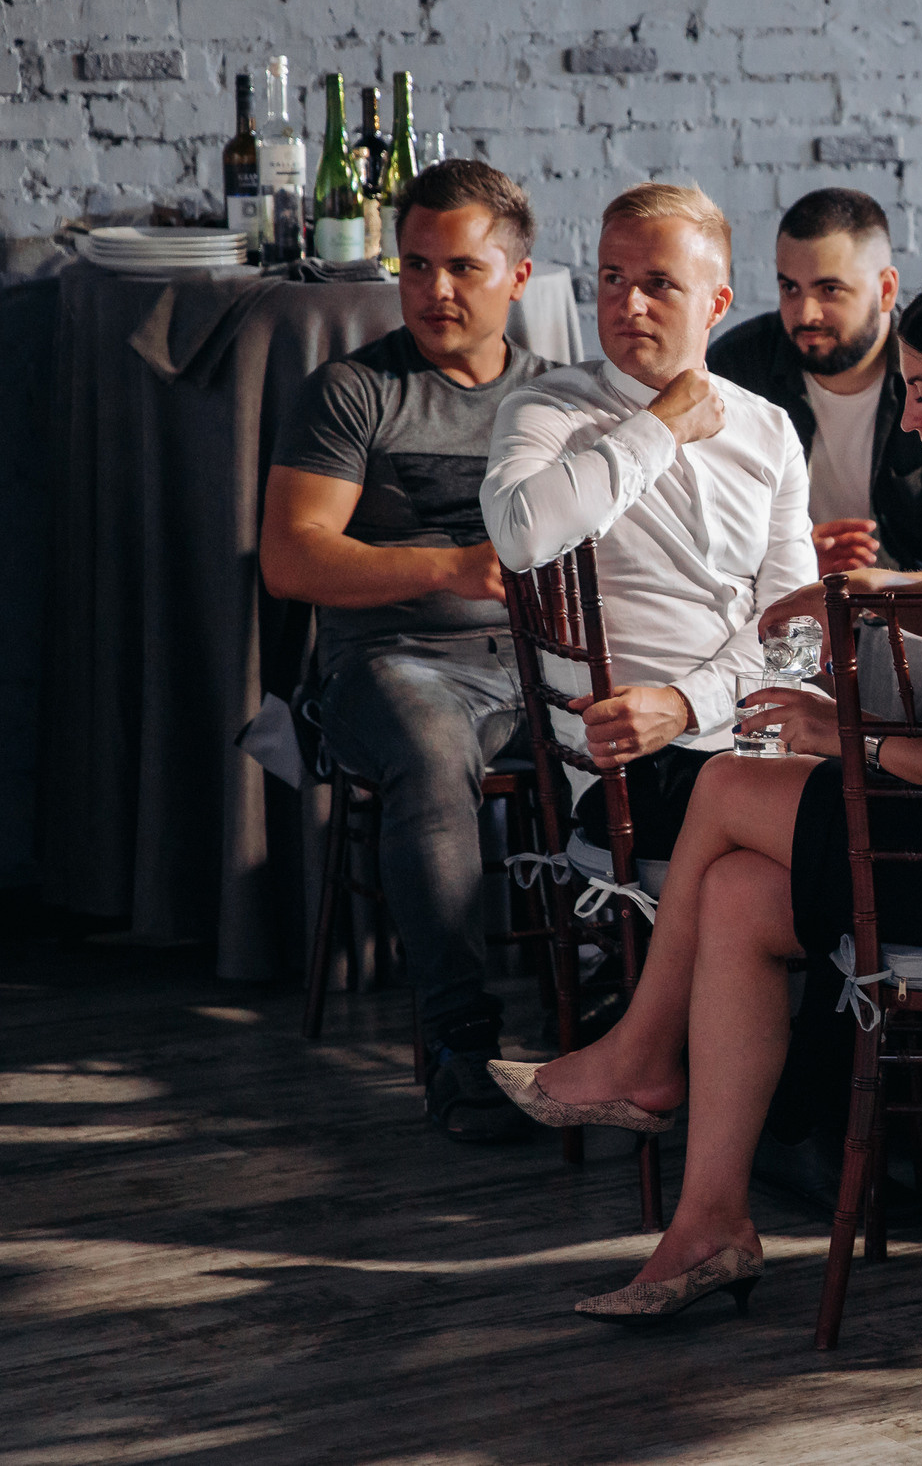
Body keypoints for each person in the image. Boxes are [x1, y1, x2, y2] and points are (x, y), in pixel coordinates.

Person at [484, 269, 922, 1321]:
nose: (908, 424)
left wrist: (847, 739)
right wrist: (887, 591)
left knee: (729, 782)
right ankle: (708, 1225)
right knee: (732, 896)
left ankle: (638, 1056)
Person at [261, 159, 553, 1143]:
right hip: (389, 666)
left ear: (519, 275)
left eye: (463, 268)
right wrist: (448, 568)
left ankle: (640, 1027)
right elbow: (291, 560)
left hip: (536, 670)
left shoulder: (560, 399)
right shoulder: (354, 390)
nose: (435, 291)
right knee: (430, 740)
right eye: (417, 265)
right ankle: (464, 1056)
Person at [480, 183, 815, 857]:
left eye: (658, 283)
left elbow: (796, 630)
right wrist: (661, 426)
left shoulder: (769, 429)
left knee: (876, 807)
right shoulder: (546, 410)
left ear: (716, 303)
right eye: (612, 278)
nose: (628, 303)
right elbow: (519, 534)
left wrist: (688, 703)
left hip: (755, 744)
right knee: (843, 838)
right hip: (624, 768)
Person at [706, 187, 922, 575]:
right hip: (786, 610)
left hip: (918, 620)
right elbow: (701, 531)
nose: (805, 313)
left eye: (830, 289)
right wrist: (791, 558)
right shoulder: (736, 370)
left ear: (885, 290)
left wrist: (887, 592)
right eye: (789, 288)